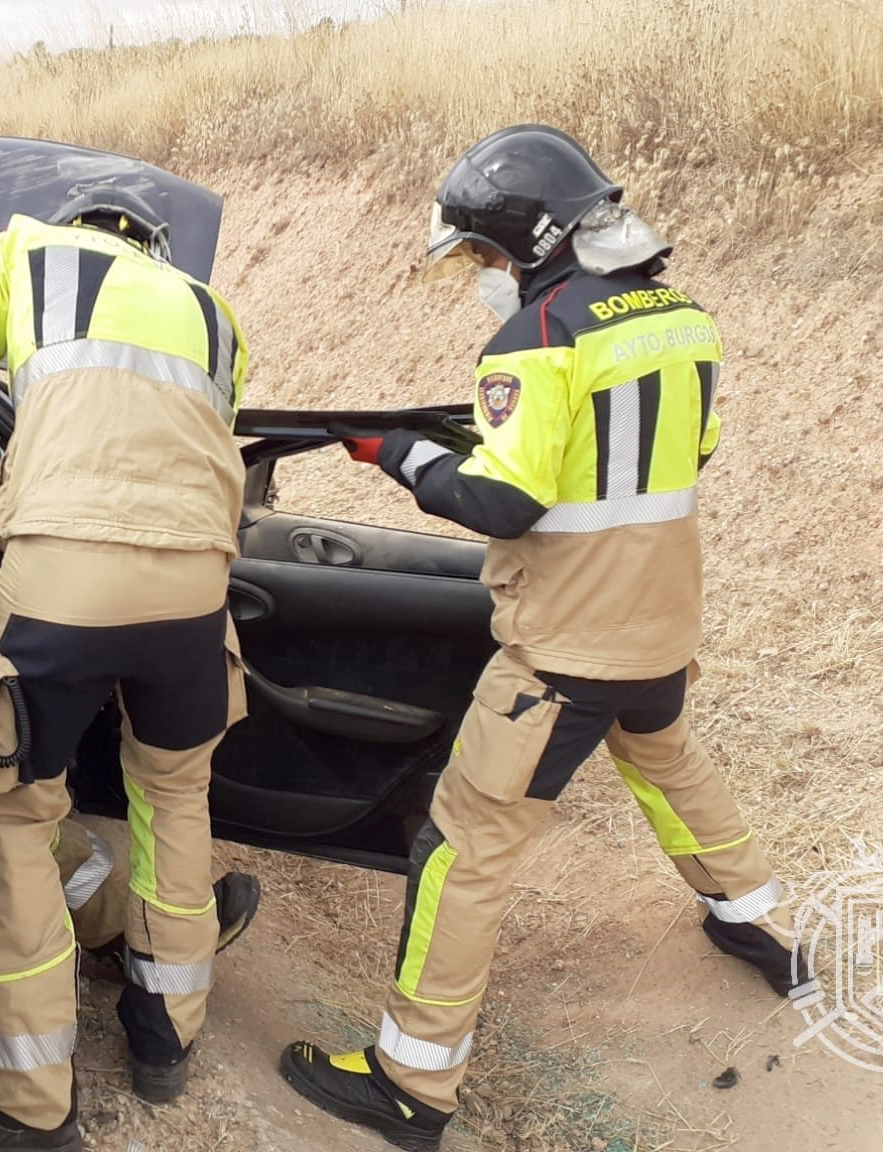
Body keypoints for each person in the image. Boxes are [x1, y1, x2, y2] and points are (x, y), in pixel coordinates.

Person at [279, 124, 809, 1152]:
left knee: (461, 848)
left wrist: (394, 453)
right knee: (669, 765)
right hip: (660, 625)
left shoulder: (538, 336)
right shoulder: (683, 319)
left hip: (565, 650)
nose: (483, 273)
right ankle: (754, 921)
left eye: (483, 253)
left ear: (527, 237)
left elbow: (506, 505)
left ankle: (410, 1083)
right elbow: (662, 452)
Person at [0, 185, 263, 1152]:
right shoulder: (211, 311)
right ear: (152, 244)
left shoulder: (25, 252)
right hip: (196, 587)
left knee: (22, 815)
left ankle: (24, 1104)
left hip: (63, 576)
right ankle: (164, 1040)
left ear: (81, 227)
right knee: (177, 797)